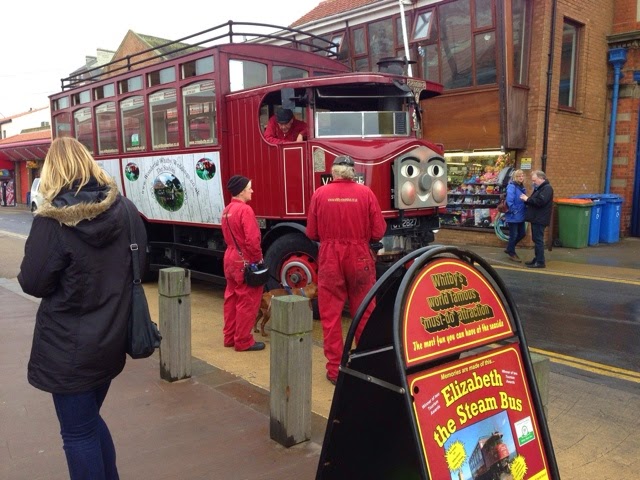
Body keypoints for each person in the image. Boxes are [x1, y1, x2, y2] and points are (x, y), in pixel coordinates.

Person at [18, 137, 147, 480]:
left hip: (67, 350)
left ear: (52, 171)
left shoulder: (52, 221)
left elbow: (32, 282)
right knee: (88, 422)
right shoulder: (126, 210)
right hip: (112, 339)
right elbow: (140, 266)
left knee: (77, 432)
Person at [306, 155, 387, 385]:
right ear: (353, 173)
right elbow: (379, 231)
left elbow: (311, 232)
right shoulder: (366, 193)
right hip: (359, 256)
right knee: (365, 312)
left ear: (333, 172)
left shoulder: (320, 194)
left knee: (331, 316)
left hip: (330, 257)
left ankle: (335, 369)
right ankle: (366, 364)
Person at [221, 175, 265, 351]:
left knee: (231, 297)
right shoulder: (245, 210)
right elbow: (252, 240)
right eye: (249, 188)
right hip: (244, 258)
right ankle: (243, 341)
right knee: (248, 299)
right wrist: (258, 259)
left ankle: (229, 337)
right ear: (241, 191)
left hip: (230, 256)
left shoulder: (227, 210)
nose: (252, 191)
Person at [520, 170, 554, 268]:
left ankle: (540, 262)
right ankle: (537, 258)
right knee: (536, 239)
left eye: (534, 180)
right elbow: (534, 200)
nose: (533, 182)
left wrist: (527, 199)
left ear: (541, 178)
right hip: (536, 218)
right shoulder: (540, 188)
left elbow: (540, 202)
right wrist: (527, 200)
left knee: (538, 240)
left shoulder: (547, 188)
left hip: (540, 218)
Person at [504, 169, 527, 262]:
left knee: (522, 233)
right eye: (519, 176)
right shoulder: (512, 186)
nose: (521, 177)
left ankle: (509, 248)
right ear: (515, 177)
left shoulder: (521, 187)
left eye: (522, 176)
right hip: (514, 215)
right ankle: (512, 253)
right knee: (514, 235)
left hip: (521, 214)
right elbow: (509, 200)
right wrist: (514, 211)